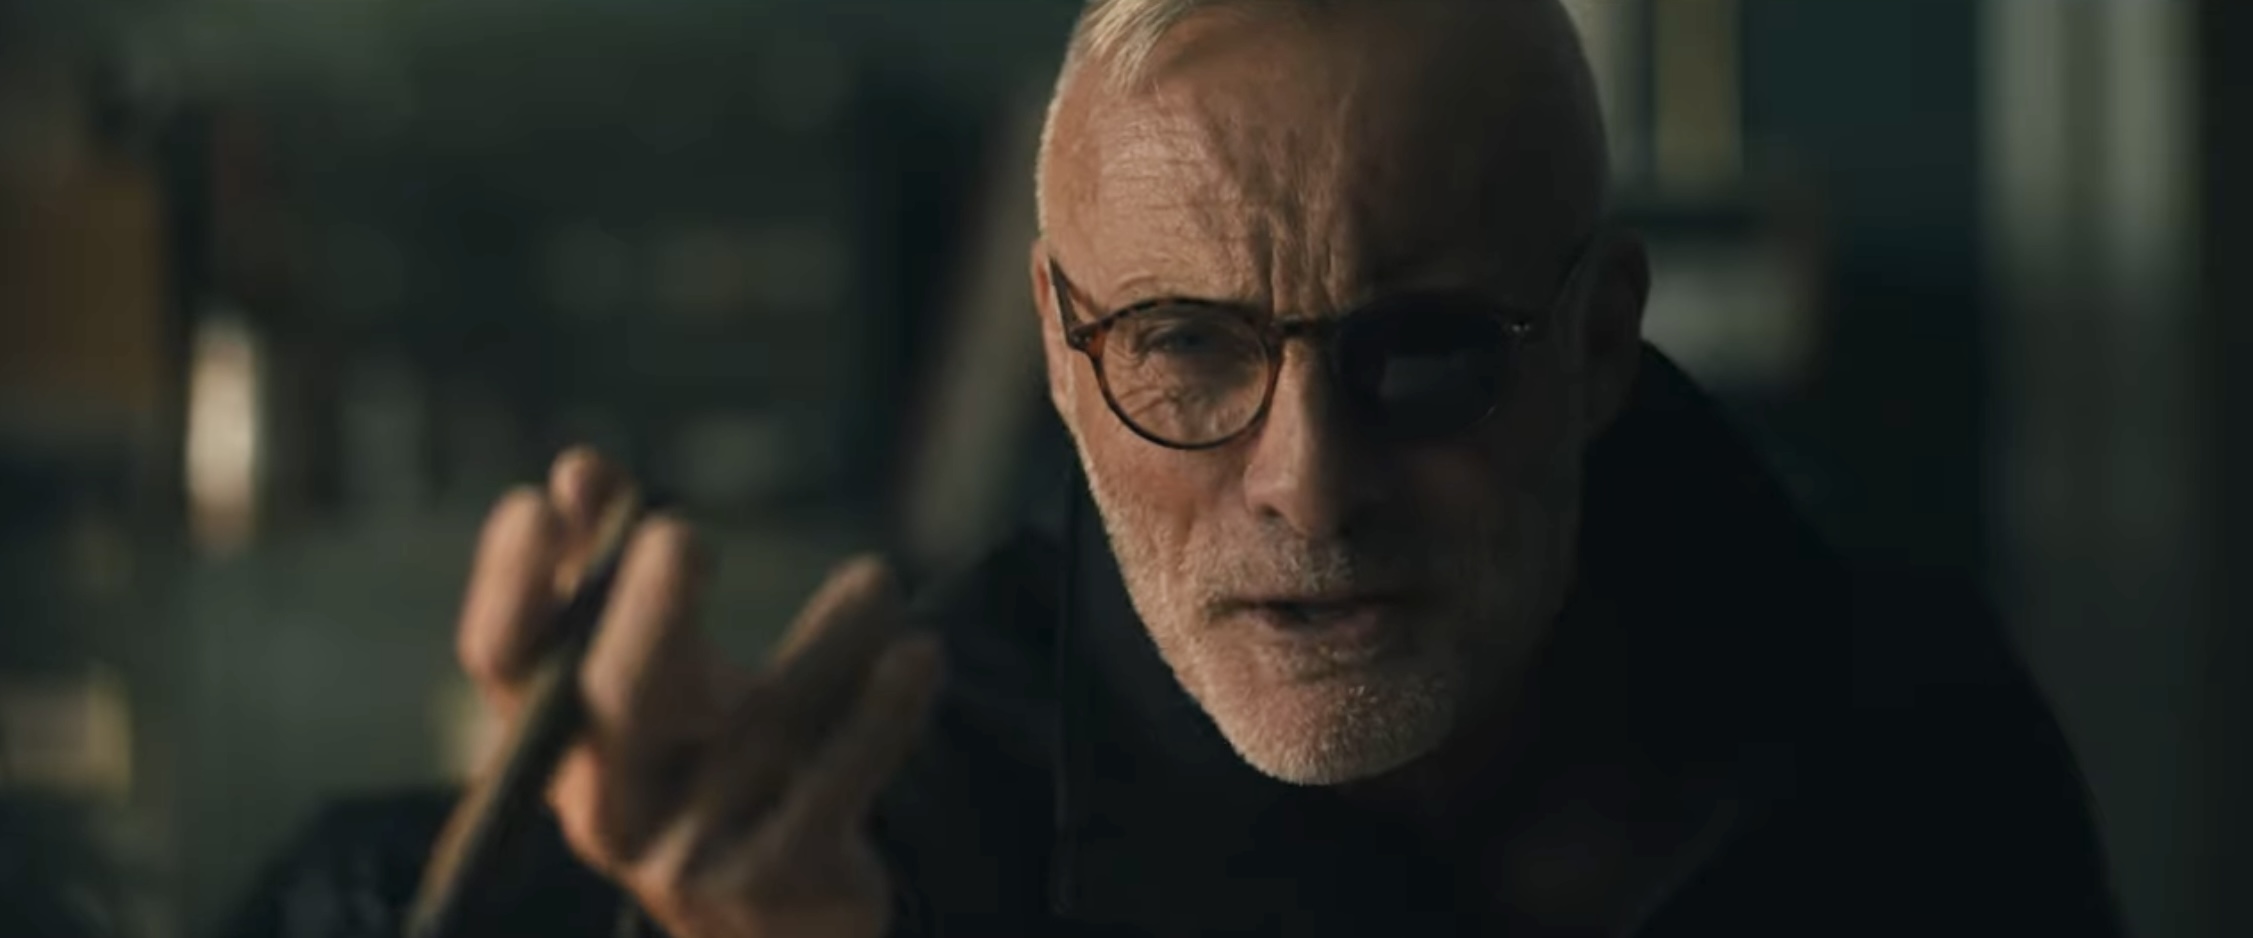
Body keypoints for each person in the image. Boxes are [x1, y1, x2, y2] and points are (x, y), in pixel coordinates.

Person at [232, 0, 2124, 935]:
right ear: (1062, 352)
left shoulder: (1917, 751)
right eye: (1186, 345)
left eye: (1425, 351)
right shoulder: (896, 834)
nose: (1308, 482)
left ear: (1599, 344)